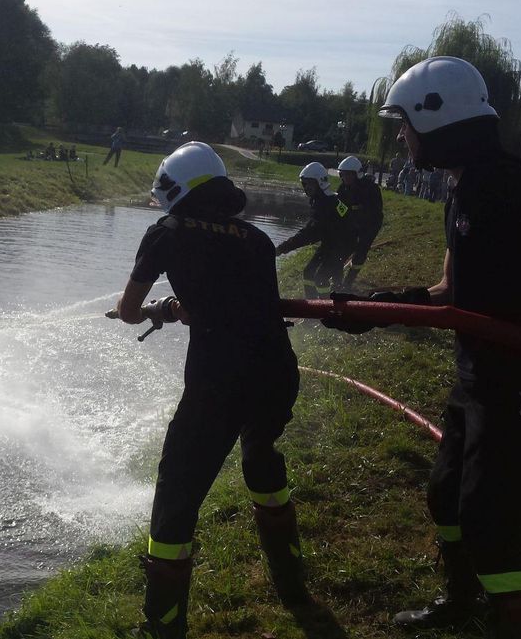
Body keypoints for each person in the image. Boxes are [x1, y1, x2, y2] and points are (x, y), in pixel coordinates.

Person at [343, 56, 521, 639]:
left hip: (517, 378)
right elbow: (449, 293)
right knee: (446, 496)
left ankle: (512, 621)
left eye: (404, 123)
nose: (399, 135)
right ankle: (461, 600)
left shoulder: (501, 180)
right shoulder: (461, 190)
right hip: (478, 373)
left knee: (492, 518)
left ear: (436, 118)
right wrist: (370, 308)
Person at [117, 142, 306, 639]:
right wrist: (189, 306)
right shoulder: (257, 239)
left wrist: (162, 309)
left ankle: (162, 625)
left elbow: (131, 310)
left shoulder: (167, 232)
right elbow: (242, 303)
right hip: (276, 372)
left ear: (175, 189)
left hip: (219, 381)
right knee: (261, 457)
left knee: (177, 492)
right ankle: (292, 583)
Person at [275, 162, 358, 298]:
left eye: (310, 184)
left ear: (320, 182)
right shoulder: (325, 199)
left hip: (343, 245)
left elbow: (309, 234)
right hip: (332, 242)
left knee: (320, 278)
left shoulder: (325, 204)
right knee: (309, 272)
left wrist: (283, 248)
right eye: (304, 184)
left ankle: (326, 311)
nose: (306, 188)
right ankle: (313, 311)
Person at [336, 156, 384, 290]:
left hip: (370, 225)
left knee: (360, 252)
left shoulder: (370, 189)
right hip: (353, 224)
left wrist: (358, 216)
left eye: (348, 175)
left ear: (356, 174)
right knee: (342, 252)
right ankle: (338, 283)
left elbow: (374, 212)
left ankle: (349, 281)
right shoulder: (343, 189)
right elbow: (339, 208)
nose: (345, 177)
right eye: (343, 174)